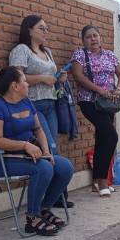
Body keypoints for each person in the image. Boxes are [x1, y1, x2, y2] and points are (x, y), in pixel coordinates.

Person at [0, 67, 74, 236]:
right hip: (1, 161)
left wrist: (46, 150)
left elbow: (38, 129)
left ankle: (44, 209)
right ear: (14, 86)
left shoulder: (26, 103)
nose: (27, 84)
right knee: (44, 168)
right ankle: (32, 218)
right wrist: (25, 145)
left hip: (28, 157)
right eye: (24, 81)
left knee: (65, 167)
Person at [9, 15, 73, 208]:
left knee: (54, 149)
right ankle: (47, 202)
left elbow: (51, 77)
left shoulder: (48, 52)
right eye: (41, 28)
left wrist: (60, 78)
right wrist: (42, 78)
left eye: (47, 28)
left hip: (51, 103)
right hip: (33, 105)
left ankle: (55, 197)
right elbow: (15, 77)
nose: (46, 32)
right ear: (29, 30)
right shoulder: (21, 50)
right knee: (49, 149)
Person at [71, 25, 120, 197]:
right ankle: (103, 180)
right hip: (89, 101)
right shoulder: (80, 55)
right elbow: (78, 76)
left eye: (95, 35)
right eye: (88, 37)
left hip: (108, 102)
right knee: (111, 136)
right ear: (83, 40)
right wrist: (98, 89)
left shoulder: (110, 55)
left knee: (102, 138)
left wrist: (118, 89)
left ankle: (96, 181)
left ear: (100, 37)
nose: (93, 39)